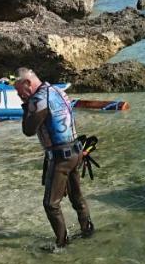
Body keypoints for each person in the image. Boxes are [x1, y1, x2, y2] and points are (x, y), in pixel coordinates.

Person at [14, 67, 94, 249]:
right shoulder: (58, 90)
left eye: (19, 91)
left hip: (60, 157)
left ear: (27, 83)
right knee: (76, 197)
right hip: (76, 151)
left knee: (50, 204)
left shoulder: (38, 99)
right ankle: (88, 230)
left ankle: (62, 243)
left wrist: (26, 105)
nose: (19, 95)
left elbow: (28, 130)